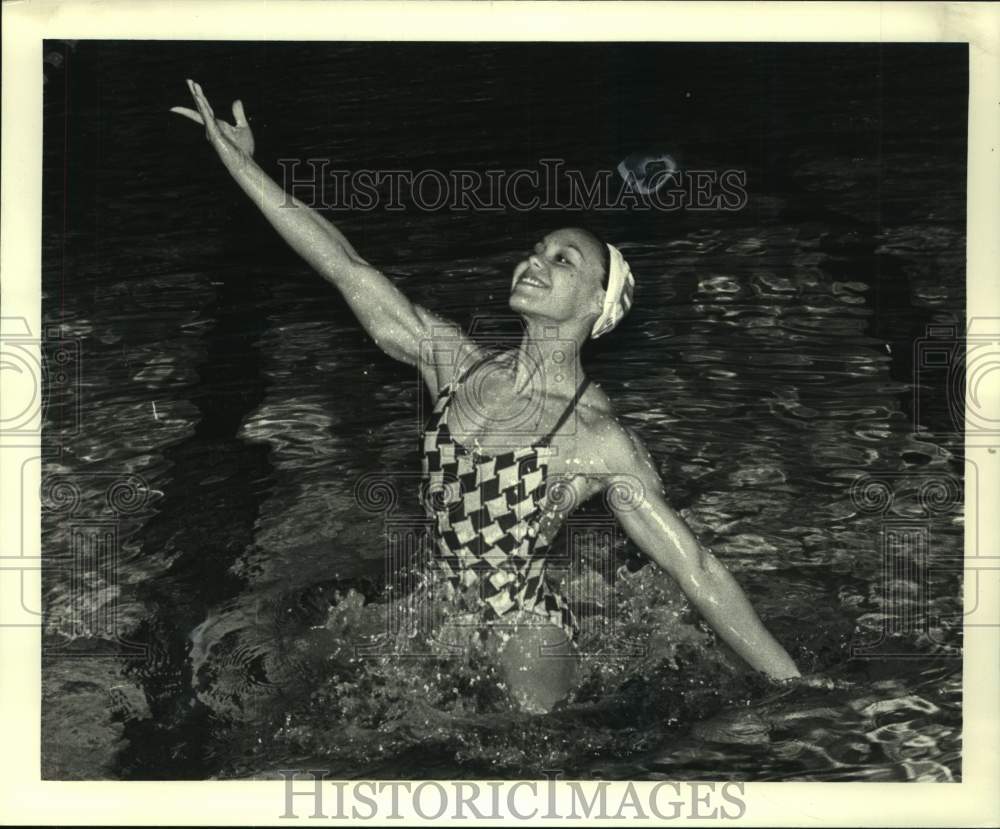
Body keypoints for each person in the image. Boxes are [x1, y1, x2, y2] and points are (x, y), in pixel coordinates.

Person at [172, 80, 801, 714]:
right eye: (535, 251)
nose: (535, 263)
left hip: (525, 629)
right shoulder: (450, 363)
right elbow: (345, 265)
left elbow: (695, 568)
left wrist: (792, 690)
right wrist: (244, 166)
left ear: (594, 307)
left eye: (563, 260)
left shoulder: (596, 438)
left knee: (530, 760)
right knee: (285, 673)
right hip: (437, 606)